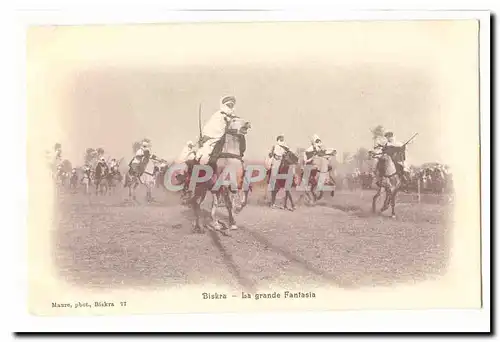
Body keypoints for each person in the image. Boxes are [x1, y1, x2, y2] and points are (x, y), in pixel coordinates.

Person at [195, 95, 237, 165]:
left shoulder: (234, 118)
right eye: (228, 105)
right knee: (206, 154)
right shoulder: (218, 116)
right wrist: (206, 137)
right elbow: (212, 129)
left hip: (229, 141)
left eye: (231, 105)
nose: (230, 107)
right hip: (214, 140)